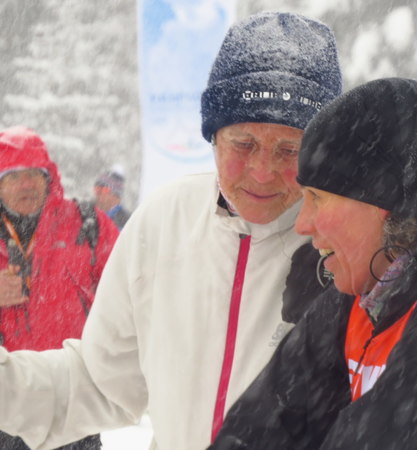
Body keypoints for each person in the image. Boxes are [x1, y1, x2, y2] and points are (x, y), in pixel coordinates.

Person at [0, 12, 342, 449]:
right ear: (213, 136)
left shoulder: (347, 245)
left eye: (289, 149)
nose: (262, 171)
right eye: (244, 144)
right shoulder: (166, 219)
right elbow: (98, 382)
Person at [211, 78, 417, 449]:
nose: (302, 224)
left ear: (387, 206)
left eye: (318, 198)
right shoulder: (358, 303)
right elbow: (256, 431)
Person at [0, 126, 119, 449]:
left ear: (49, 177)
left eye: (34, 174)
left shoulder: (88, 224)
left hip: (73, 397)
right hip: (5, 403)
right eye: (13, 176)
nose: (26, 184)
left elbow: (132, 295)